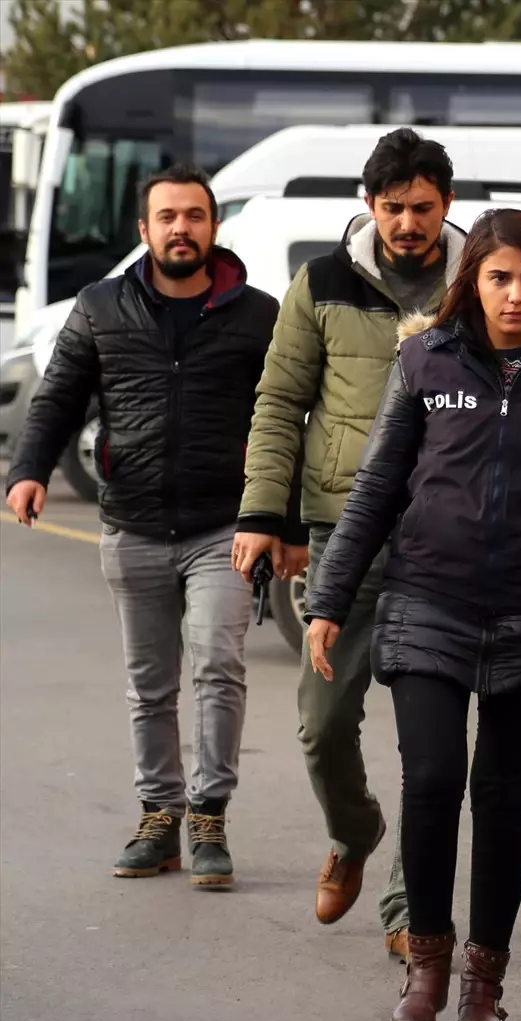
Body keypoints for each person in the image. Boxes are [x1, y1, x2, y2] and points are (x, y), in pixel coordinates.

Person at [303, 207, 521, 1021]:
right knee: (433, 783)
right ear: (474, 281)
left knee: (503, 801)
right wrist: (328, 599)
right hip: (429, 605)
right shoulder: (425, 358)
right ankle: (426, 966)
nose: (516, 294)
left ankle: (484, 981)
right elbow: (379, 486)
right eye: (500, 277)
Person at [5, 164, 288, 887]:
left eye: (194, 216)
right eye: (167, 217)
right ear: (144, 230)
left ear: (213, 227)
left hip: (222, 526)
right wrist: (28, 471)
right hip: (130, 525)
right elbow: (58, 397)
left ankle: (209, 816)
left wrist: (284, 520)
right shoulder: (101, 307)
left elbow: (292, 417)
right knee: (149, 684)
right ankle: (159, 817)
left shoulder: (258, 314)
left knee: (219, 668)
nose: (181, 229)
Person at [232, 129, 466, 956]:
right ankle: (354, 830)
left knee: (427, 740)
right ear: (370, 206)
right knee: (322, 722)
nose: (409, 223)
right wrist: (265, 514)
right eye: (395, 208)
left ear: (446, 206)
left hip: (446, 536)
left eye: (424, 208)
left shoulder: (479, 283)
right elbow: (279, 399)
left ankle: (408, 916)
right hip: (344, 530)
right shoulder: (323, 283)